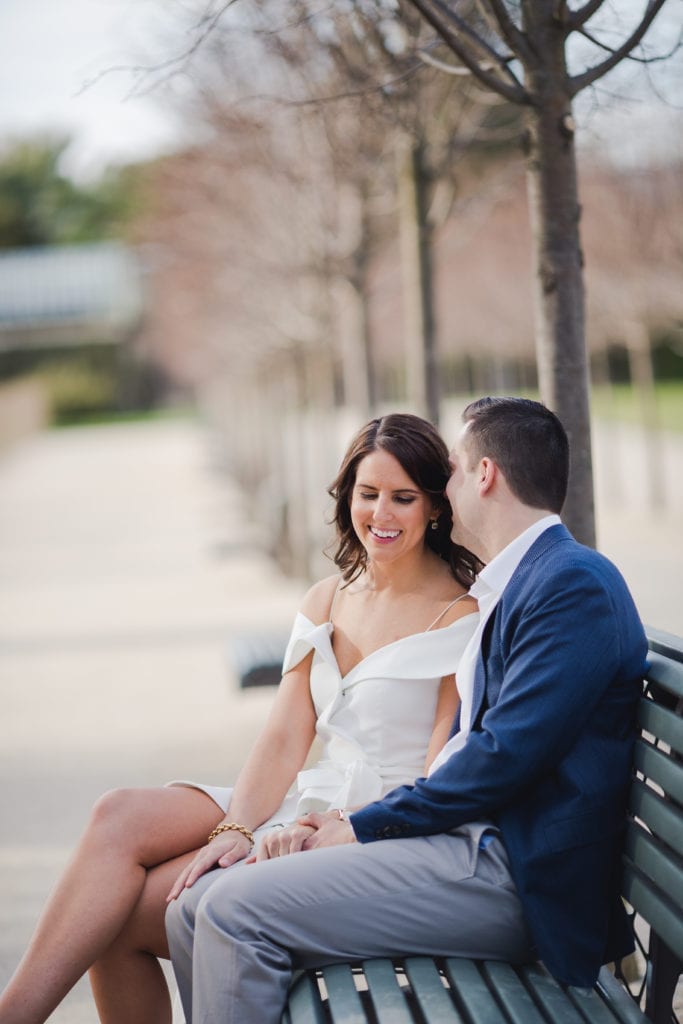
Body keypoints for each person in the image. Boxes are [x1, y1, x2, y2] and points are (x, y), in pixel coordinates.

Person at [166, 396, 648, 1024]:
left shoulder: (569, 583)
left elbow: (501, 760)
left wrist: (360, 826)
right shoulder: (517, 583)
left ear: (485, 475)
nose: (442, 485)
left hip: (513, 875)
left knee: (230, 910)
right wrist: (350, 818)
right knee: (190, 906)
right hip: (465, 845)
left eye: (451, 468)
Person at [0, 413, 480, 1024]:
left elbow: (435, 776)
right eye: (368, 494)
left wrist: (320, 826)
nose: (381, 515)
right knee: (116, 815)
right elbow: (284, 736)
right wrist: (236, 827)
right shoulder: (328, 597)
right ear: (347, 497)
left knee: (113, 917)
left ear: (435, 507)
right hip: (308, 794)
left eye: (403, 498)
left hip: (368, 823)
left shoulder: (462, 616)